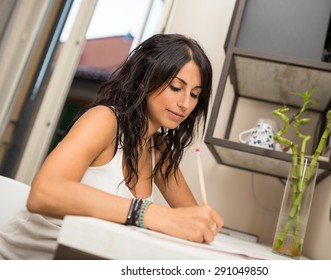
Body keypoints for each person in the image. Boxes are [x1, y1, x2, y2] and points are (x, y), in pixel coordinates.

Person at [0, 33, 224, 259]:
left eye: (195, 94)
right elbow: (43, 193)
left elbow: (191, 219)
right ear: (145, 80)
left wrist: (204, 223)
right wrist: (147, 213)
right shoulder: (105, 121)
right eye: (176, 87)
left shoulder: (158, 151)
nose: (186, 104)